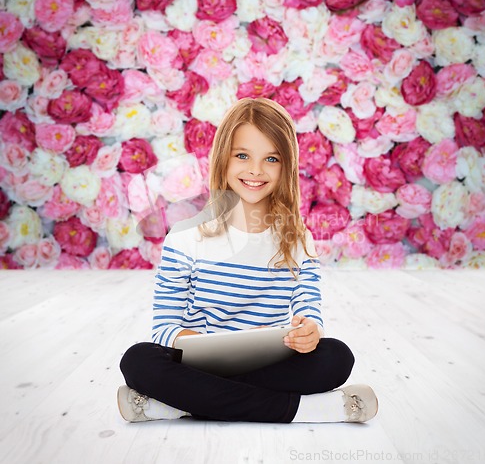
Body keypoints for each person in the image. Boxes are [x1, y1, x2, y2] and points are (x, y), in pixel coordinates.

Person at [117, 98, 378, 424]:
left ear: (286, 167)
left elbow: (309, 311)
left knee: (336, 356)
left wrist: (309, 331)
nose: (255, 170)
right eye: (242, 156)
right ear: (222, 160)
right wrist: (200, 345)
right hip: (196, 364)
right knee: (138, 360)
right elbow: (164, 328)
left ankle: (178, 405)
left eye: (271, 158)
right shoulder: (184, 238)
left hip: (266, 364)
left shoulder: (299, 240)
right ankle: (304, 411)